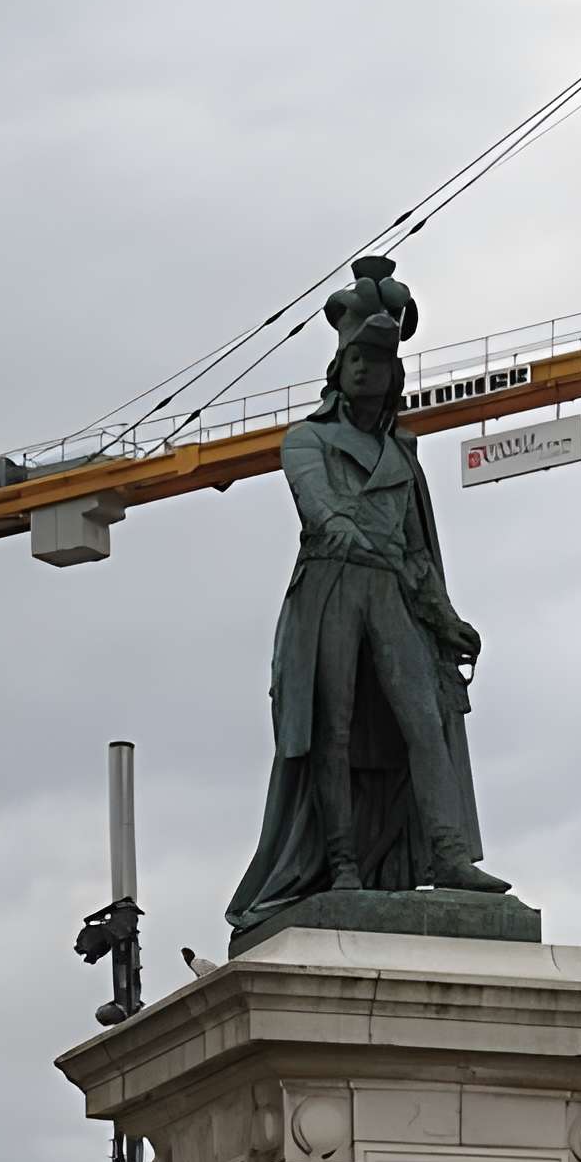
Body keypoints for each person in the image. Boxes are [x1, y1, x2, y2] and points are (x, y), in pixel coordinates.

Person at [228, 256, 510, 933]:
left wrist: (445, 618)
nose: (364, 370)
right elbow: (317, 506)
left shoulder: (404, 456)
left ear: (391, 378)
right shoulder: (307, 440)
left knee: (425, 719)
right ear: (339, 367)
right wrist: (347, 529)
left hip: (390, 594)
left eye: (376, 363)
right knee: (336, 727)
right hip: (329, 589)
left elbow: (416, 551)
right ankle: (342, 862)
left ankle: (447, 853)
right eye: (355, 358)